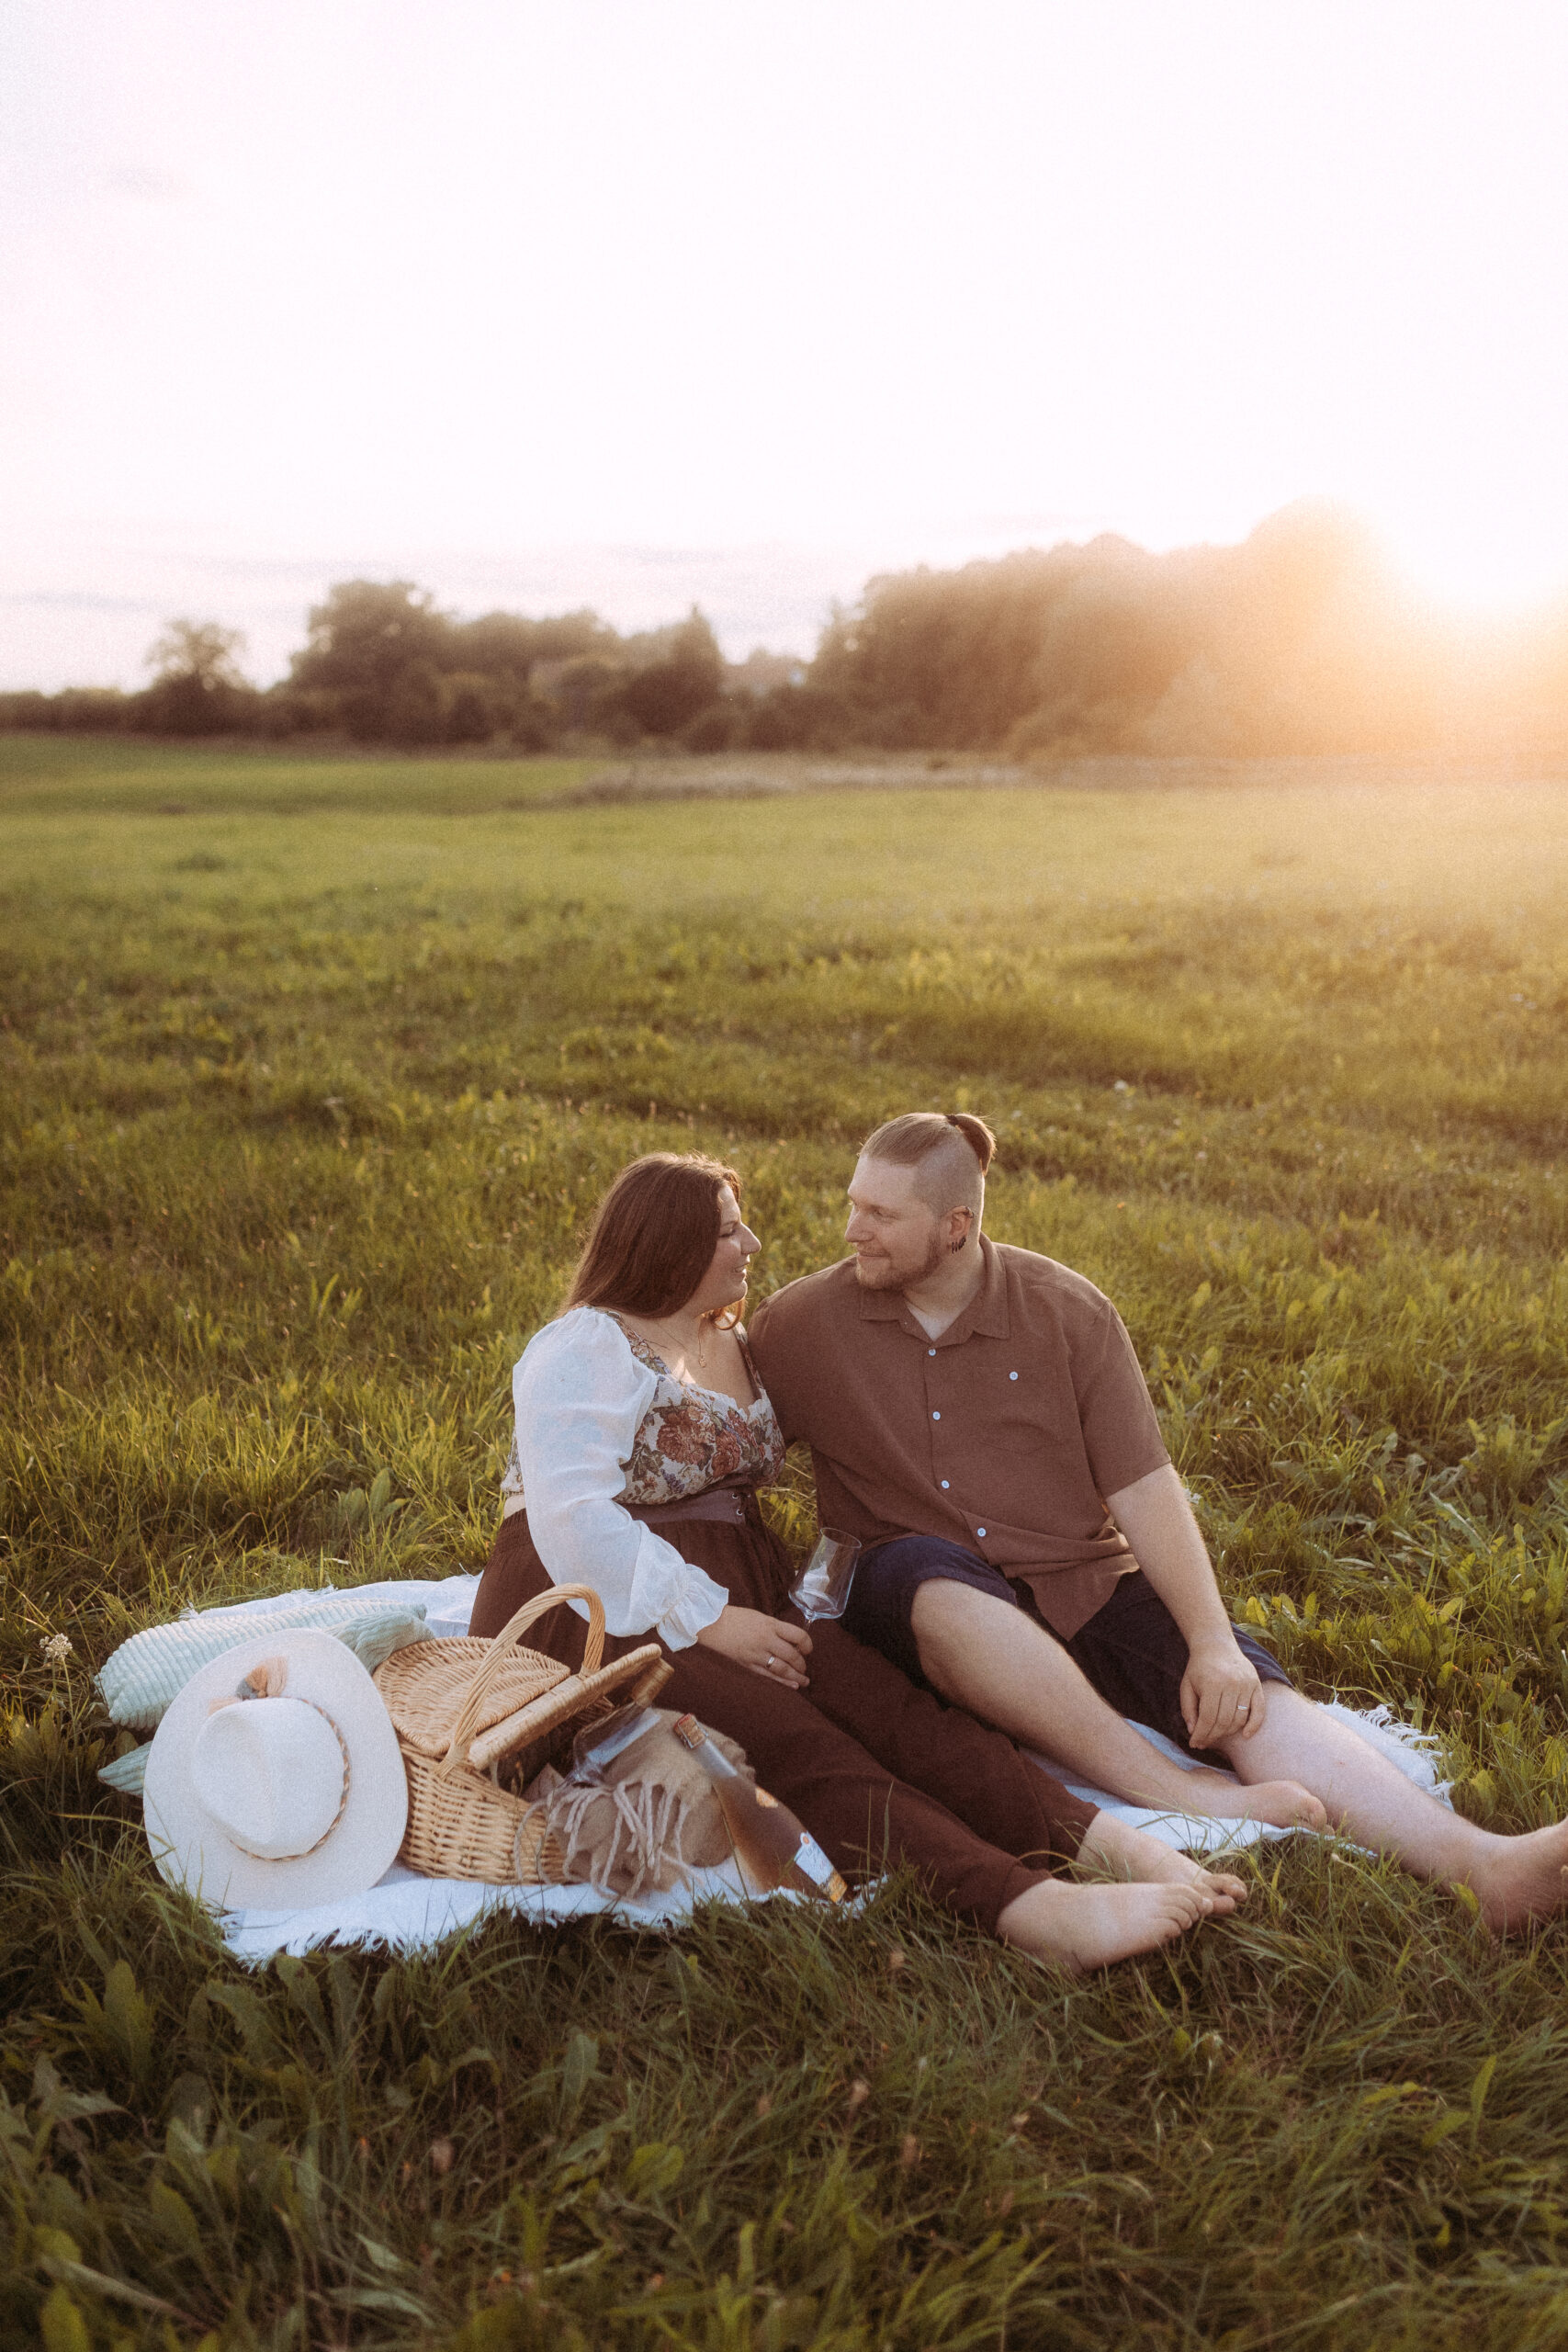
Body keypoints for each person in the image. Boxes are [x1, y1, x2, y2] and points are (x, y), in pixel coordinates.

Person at [749, 1112, 1568, 1934]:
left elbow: (1144, 1489)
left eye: (880, 1215)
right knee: (925, 1573)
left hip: (1080, 1585)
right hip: (915, 1604)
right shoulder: (801, 1324)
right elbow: (716, 1437)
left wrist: (1211, 1643)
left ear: (955, 1225)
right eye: (854, 1203)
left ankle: (1482, 1868)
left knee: (1242, 1695)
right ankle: (1178, 1793)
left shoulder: (1068, 1312)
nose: (851, 1230)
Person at [470, 1151, 1252, 1971]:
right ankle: (1028, 1908)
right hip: (599, 1606)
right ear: (668, 1246)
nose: (752, 1242)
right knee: (803, 1741)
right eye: (730, 1230)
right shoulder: (584, 1345)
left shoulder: (730, 1337)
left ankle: (1100, 1844)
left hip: (740, 1585)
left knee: (898, 1713)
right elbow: (573, 1519)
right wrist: (711, 1617)